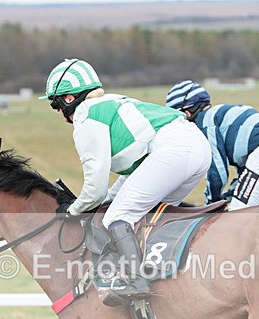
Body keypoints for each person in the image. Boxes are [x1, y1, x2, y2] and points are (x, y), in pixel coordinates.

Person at [44, 59, 210, 305]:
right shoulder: (113, 101)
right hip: (198, 148)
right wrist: (111, 197)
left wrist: (73, 210)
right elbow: (136, 171)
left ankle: (137, 281)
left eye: (54, 103)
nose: (57, 111)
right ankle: (166, 276)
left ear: (69, 99)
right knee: (150, 215)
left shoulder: (86, 116)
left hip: (174, 150)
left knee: (116, 218)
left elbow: (94, 189)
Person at [165, 80, 259, 210]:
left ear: (187, 113)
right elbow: (247, 174)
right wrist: (229, 194)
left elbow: (216, 173)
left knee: (236, 215)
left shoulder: (205, 123)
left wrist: (209, 206)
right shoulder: (223, 113)